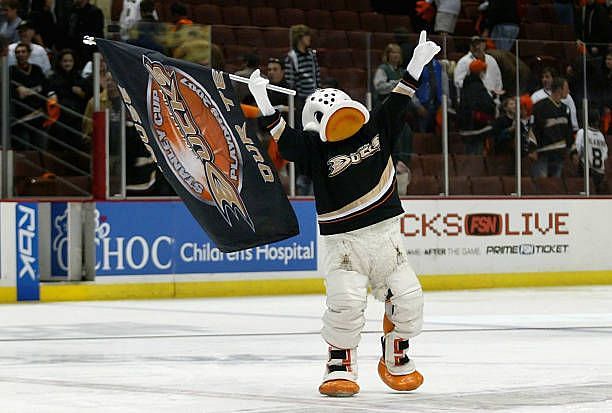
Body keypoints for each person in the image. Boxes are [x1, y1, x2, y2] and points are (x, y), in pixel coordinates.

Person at [248, 31, 441, 397]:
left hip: (387, 237)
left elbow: (398, 101)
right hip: (345, 245)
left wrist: (415, 65)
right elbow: (284, 141)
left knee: (409, 297)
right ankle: (340, 363)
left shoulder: (375, 129)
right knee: (346, 303)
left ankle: (395, 351)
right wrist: (264, 102)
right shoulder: (314, 147)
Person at [9, 42, 50, 150]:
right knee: (24, 145)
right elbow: (15, 94)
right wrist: (35, 90)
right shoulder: (11, 71)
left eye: (23, 52)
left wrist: (28, 91)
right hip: (20, 118)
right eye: (17, 52)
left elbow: (44, 88)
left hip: (38, 116)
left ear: (29, 54)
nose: (20, 54)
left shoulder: (36, 69)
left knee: (41, 145)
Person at [531, 77, 573, 178]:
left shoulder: (565, 109)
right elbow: (533, 129)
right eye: (566, 88)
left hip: (559, 154)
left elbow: (568, 131)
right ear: (559, 89)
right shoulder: (540, 107)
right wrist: (532, 149)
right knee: (542, 186)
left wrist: (571, 150)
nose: (568, 91)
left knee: (555, 187)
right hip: (543, 153)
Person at [48, 49, 88, 149]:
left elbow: (86, 96)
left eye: (70, 61)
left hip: (76, 116)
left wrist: (81, 93)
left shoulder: (80, 79)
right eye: (65, 61)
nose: (67, 64)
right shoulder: (53, 78)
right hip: (59, 116)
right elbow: (49, 93)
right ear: (60, 62)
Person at [284, 24, 320, 130]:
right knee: (302, 125)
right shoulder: (292, 57)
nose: (309, 38)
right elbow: (290, 81)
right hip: (301, 99)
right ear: (299, 38)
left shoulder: (311, 55)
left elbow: (316, 75)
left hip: (314, 96)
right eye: (306, 35)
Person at [457, 59, 496, 155]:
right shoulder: (477, 87)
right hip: (476, 127)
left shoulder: (467, 85)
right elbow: (486, 105)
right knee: (475, 156)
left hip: (466, 125)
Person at [454, 36, 503, 100]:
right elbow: (458, 83)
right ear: (470, 46)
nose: (477, 47)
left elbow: (498, 80)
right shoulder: (463, 61)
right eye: (474, 45)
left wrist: (496, 94)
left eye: (479, 44)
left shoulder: (491, 59)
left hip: (493, 100)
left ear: (484, 45)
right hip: (472, 100)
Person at [531, 66, 579, 132]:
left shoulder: (566, 96)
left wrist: (574, 129)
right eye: (543, 77)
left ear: (554, 79)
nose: (544, 79)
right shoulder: (535, 96)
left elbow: (573, 116)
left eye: (547, 77)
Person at [573, 109, 608, 193]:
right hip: (600, 172)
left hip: (587, 171)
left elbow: (577, 151)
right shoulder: (601, 135)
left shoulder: (582, 132)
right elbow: (605, 156)